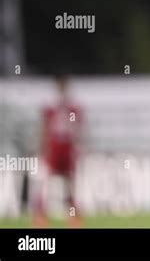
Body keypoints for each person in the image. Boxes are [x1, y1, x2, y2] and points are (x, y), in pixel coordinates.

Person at [33, 75, 82, 227]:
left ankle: (72, 217)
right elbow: (43, 130)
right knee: (46, 184)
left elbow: (78, 130)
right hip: (53, 150)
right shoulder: (50, 109)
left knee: (69, 185)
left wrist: (79, 148)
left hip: (67, 150)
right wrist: (41, 148)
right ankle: (40, 216)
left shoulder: (72, 109)